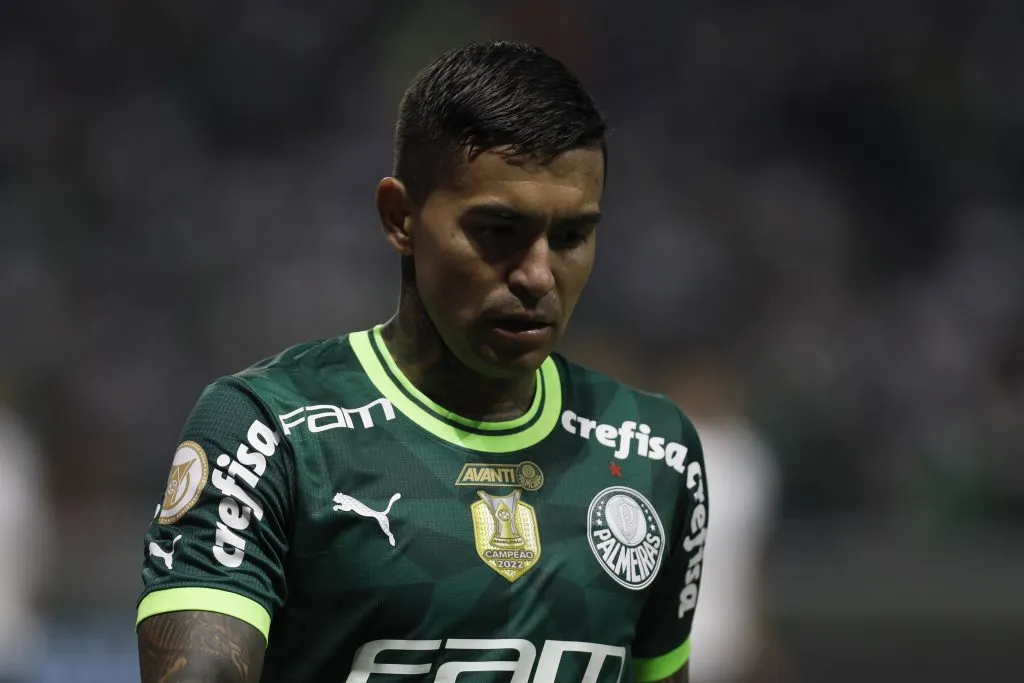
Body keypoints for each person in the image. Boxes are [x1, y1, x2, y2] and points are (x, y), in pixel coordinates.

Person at [136, 41, 708, 683]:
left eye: (571, 236)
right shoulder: (269, 432)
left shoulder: (656, 453)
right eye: (498, 232)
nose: (538, 276)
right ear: (399, 217)